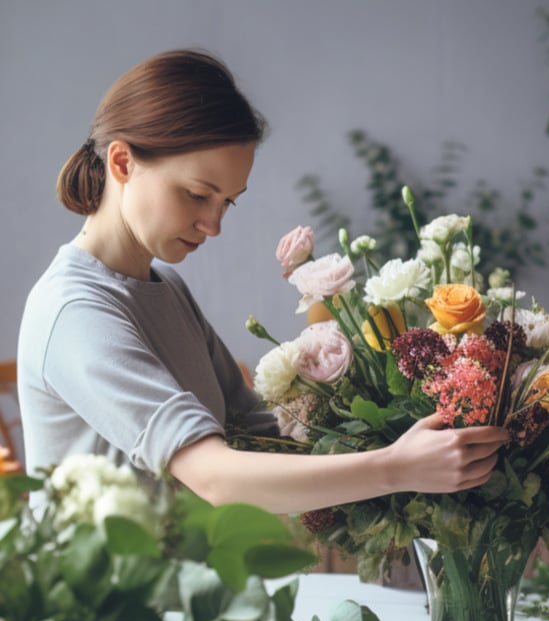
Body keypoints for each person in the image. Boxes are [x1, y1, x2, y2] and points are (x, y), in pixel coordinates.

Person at [17, 48, 508, 514]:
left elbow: (258, 432)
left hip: (190, 591)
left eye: (227, 201)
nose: (213, 225)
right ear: (122, 163)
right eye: (196, 194)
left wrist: (399, 400)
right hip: (98, 603)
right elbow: (214, 478)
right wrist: (396, 468)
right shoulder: (74, 311)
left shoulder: (164, 288)